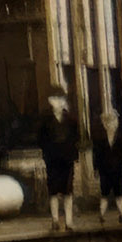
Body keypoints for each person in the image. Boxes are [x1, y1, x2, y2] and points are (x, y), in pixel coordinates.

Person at [39, 85, 80, 232]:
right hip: (52, 160)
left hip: (67, 160)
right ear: (50, 100)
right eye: (55, 99)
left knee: (68, 191)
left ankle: (69, 221)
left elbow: (77, 138)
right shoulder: (45, 119)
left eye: (61, 98)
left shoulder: (71, 120)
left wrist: (73, 155)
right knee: (53, 191)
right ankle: (55, 220)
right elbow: (41, 140)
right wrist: (47, 155)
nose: (58, 102)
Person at [92, 106, 122, 225]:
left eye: (113, 122)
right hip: (105, 170)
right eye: (108, 122)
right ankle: (101, 215)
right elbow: (97, 156)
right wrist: (96, 169)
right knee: (104, 193)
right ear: (104, 124)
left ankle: (121, 215)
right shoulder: (101, 140)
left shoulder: (120, 139)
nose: (111, 125)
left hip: (118, 169)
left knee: (118, 193)